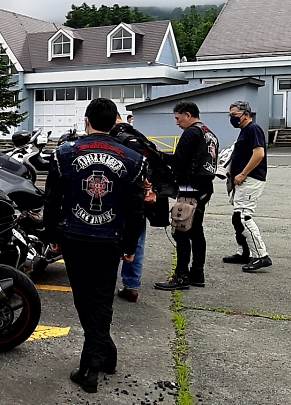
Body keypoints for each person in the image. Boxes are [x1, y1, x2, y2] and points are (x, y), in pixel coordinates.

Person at [42, 98, 145, 394]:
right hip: (109, 237)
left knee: (84, 299)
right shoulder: (132, 158)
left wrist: (52, 235)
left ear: (86, 121)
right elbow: (135, 208)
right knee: (99, 300)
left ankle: (90, 369)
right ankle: (105, 353)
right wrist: (130, 244)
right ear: (114, 122)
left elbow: (52, 199)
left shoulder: (64, 153)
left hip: (74, 235)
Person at [155, 101, 219, 291]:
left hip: (190, 188)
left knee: (181, 229)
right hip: (204, 186)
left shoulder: (191, 132)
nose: (177, 122)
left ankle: (181, 275)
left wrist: (158, 155)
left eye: (178, 118)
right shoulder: (209, 133)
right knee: (196, 230)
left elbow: (179, 160)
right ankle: (197, 272)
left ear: (188, 115)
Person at [110, 114, 158, 302]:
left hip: (116, 197)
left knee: (109, 239)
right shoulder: (138, 137)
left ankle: (105, 283)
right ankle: (131, 285)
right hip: (138, 198)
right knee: (136, 240)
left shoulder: (116, 139)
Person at [223, 101, 272, 272]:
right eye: (230, 115)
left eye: (234, 115)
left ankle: (261, 255)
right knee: (237, 217)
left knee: (243, 217)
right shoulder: (244, 131)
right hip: (242, 180)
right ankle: (244, 251)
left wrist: (243, 173)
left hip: (251, 179)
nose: (231, 118)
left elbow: (259, 153)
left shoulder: (253, 129)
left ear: (245, 114)